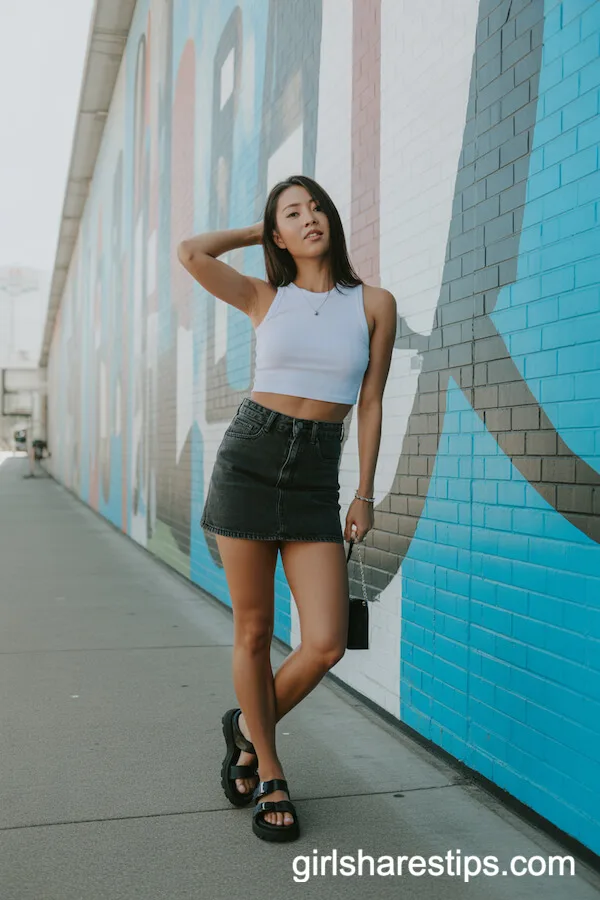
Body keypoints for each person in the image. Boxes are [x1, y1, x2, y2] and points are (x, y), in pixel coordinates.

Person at [177, 175, 396, 842]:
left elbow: (372, 402)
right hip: (249, 459)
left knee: (325, 642)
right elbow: (190, 252)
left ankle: (245, 725)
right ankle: (270, 768)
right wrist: (257, 231)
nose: (309, 219)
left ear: (332, 217)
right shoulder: (264, 297)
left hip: (315, 477)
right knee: (252, 628)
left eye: (315, 208)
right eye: (292, 214)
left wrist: (363, 492)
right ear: (279, 232)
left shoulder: (374, 303)